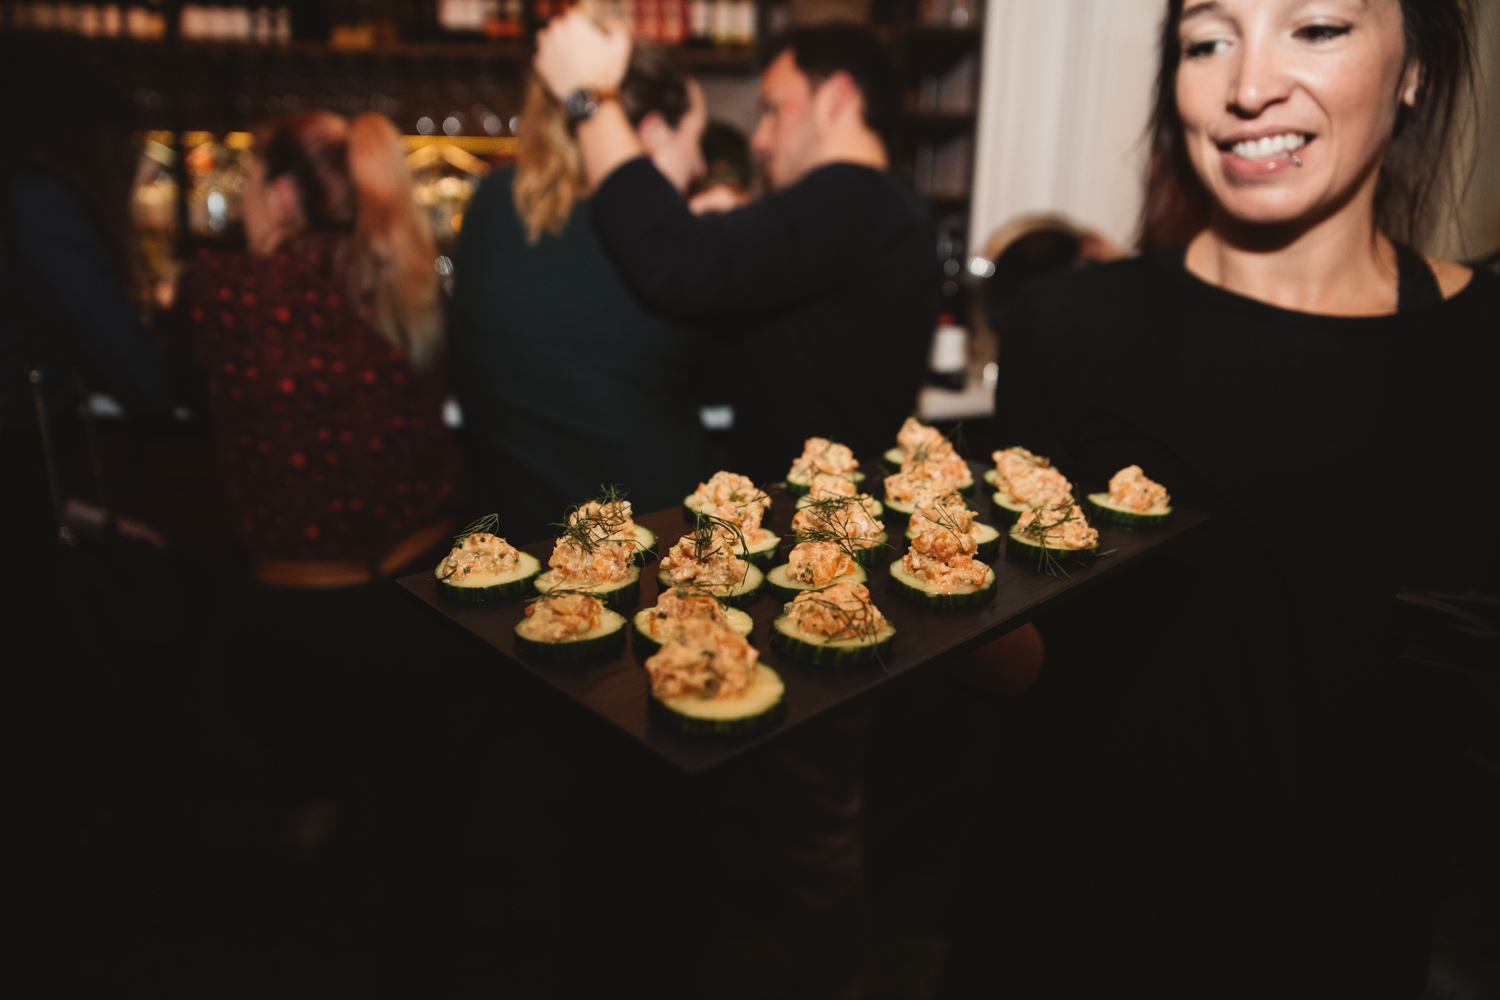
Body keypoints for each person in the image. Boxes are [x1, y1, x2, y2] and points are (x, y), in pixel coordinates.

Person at [941, 1, 1497, 997]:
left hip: (1335, 942)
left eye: (1315, 28)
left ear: (1414, 67)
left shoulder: (1478, 349)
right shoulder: (1068, 323)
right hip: (1070, 929)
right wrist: (930, 590)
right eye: (1209, 41)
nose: (1248, 87)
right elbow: (1031, 665)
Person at [174, 111, 475, 993]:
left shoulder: (223, 291)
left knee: (294, 857)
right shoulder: (406, 280)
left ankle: (310, 841)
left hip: (297, 625)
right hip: (421, 603)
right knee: (424, 844)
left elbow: (174, 383)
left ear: (277, 196)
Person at [533, 16, 936, 483]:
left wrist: (588, 97)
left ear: (837, 97)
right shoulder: (882, 209)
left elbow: (678, 262)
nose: (758, 138)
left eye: (773, 109)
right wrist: (738, 231)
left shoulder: (856, 194)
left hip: (818, 519)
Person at [449, 45, 717, 544]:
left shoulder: (491, 204)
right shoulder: (664, 253)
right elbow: (723, 376)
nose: (701, 165)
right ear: (653, 135)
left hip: (522, 540)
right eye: (696, 139)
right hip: (652, 542)